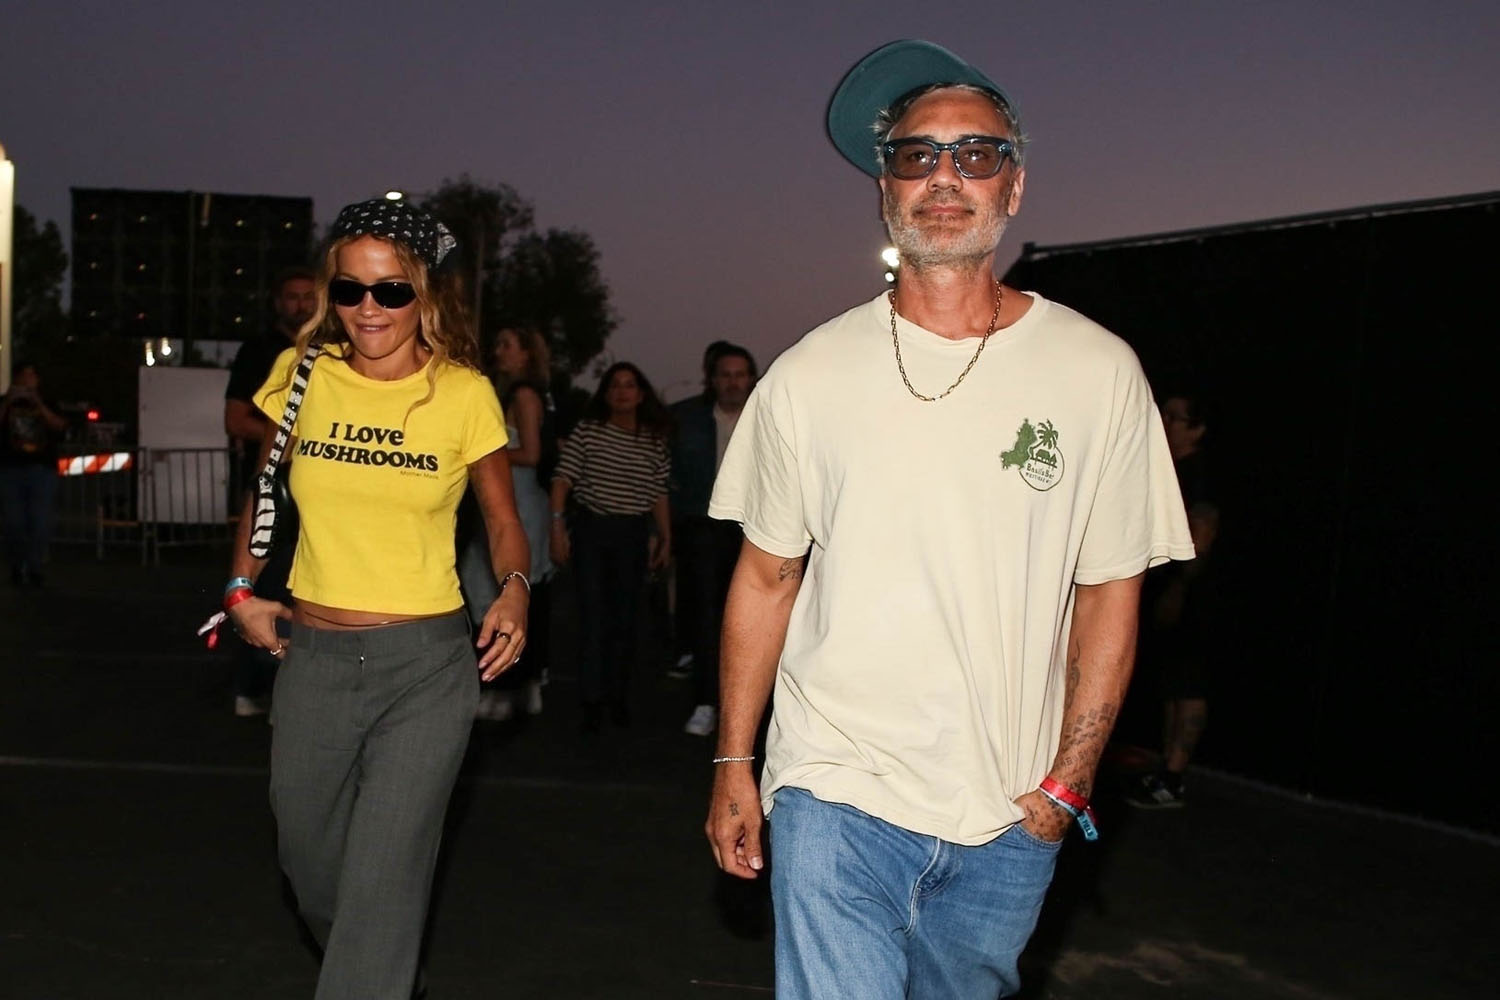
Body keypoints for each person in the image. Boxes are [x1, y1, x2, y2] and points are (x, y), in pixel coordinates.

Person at [703, 40, 1194, 1000]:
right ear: (885, 188)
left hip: (1008, 808)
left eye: (976, 154)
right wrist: (734, 761)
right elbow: (766, 577)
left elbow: (1110, 592)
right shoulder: (807, 376)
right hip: (835, 784)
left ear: (1015, 184)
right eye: (916, 155)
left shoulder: (1098, 373)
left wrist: (1067, 782)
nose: (944, 176)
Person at [223, 198, 530, 999]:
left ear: (423, 295)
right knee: (309, 862)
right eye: (351, 289)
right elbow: (265, 493)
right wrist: (239, 588)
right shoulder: (302, 377)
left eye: (390, 291)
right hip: (313, 658)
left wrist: (515, 589)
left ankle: (372, 976)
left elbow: (503, 520)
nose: (369, 309)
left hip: (423, 664)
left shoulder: (463, 393)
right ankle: (383, 971)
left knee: (386, 870)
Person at [549, 361, 671, 734]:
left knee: (625, 618)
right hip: (593, 531)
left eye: (629, 385)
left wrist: (665, 536)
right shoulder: (589, 431)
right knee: (593, 616)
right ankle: (590, 700)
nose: (622, 392)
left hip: (631, 533)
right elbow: (563, 479)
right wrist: (557, 526)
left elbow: (658, 492)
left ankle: (617, 696)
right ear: (605, 393)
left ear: (641, 393)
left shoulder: (653, 440)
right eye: (615, 385)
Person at [222, 267, 317, 716]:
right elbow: (236, 419)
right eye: (292, 296)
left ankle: (292, 690)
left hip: (318, 495)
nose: (300, 304)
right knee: (262, 586)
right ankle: (252, 684)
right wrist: (295, 436)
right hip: (275, 490)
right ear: (278, 302)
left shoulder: (335, 353)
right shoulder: (261, 353)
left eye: (308, 296)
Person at [1126, 392, 1220, 808]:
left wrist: (1180, 588)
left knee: (1189, 684)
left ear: (1197, 430)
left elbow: (1203, 533)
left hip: (1195, 596)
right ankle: (1165, 768)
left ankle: (1174, 777)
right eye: (1163, 413)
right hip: (1173, 592)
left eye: (1175, 417)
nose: (1165, 421)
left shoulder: (1200, 473)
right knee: (1172, 682)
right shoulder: (1175, 468)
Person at [471, 325, 559, 720]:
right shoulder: (514, 393)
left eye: (507, 344)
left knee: (505, 589)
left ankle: (507, 687)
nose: (498, 351)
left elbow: (531, 454)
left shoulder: (523, 394)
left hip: (518, 500)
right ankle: (521, 684)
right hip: (516, 497)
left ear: (526, 354)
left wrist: (479, 454)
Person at [670, 343, 757, 736]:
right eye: (726, 375)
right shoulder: (687, 418)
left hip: (755, 528)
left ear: (751, 378)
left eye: (740, 375)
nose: (733, 383)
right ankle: (706, 701)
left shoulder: (768, 414)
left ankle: (750, 710)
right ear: (712, 379)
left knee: (752, 619)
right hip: (703, 527)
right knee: (706, 619)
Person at [0, 362, 68, 587]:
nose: (27, 380)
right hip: (11, 467)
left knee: (39, 521)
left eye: (31, 376)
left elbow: (59, 425)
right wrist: (8, 402)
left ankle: (34, 566)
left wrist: (38, 402)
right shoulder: (7, 402)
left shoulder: (48, 402)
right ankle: (18, 564)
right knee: (14, 522)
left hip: (41, 468)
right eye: (23, 376)